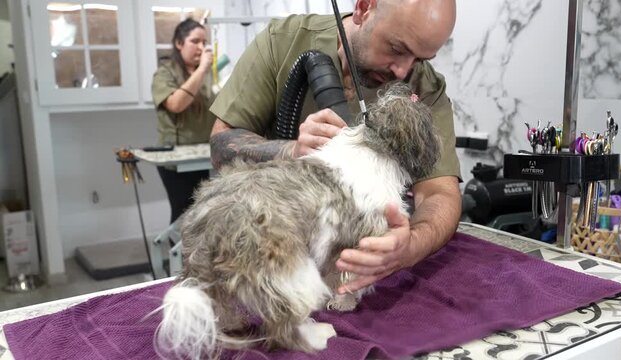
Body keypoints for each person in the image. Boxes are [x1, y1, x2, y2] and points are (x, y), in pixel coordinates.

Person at [209, 0, 461, 294]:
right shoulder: (282, 41)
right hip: (268, 257)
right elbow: (220, 144)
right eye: (397, 48)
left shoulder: (426, 86)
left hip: (351, 273)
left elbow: (440, 192)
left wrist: (411, 246)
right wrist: (290, 152)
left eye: (420, 59)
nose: (404, 71)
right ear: (364, 8)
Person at [152, 19, 216, 224]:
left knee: (202, 213)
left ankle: (193, 255)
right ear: (179, 43)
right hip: (176, 159)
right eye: (194, 41)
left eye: (204, 41)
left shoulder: (208, 75)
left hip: (203, 155)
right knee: (183, 213)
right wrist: (202, 70)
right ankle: (178, 255)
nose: (201, 47)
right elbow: (176, 104)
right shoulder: (165, 72)